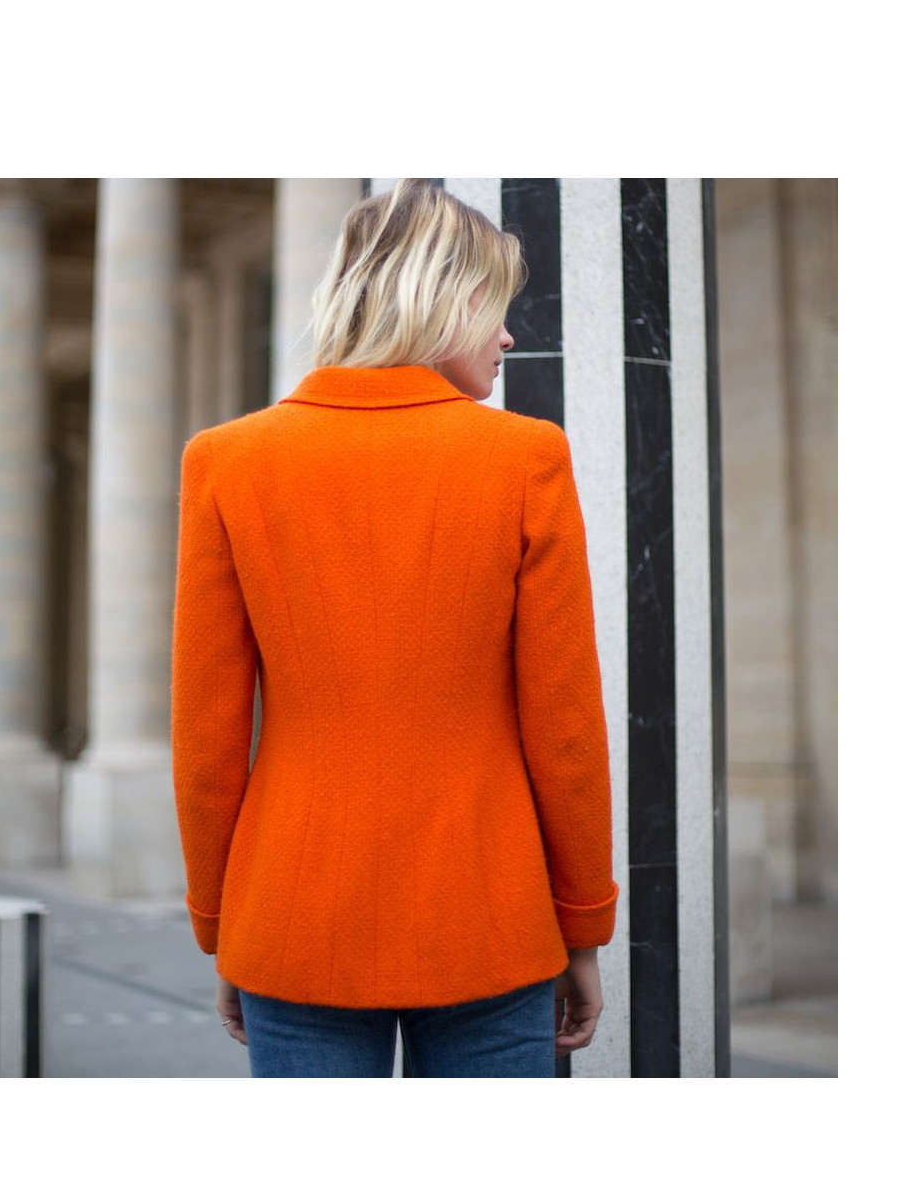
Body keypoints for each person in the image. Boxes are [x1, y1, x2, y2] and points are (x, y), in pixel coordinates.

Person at [171, 178, 619, 1077]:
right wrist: (583, 930)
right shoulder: (525, 458)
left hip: (291, 916)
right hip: (490, 916)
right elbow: (565, 729)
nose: (508, 336)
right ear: (439, 298)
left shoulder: (227, 462)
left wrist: (225, 926)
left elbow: (207, 736)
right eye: (495, 307)